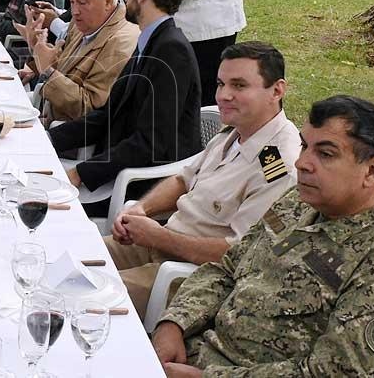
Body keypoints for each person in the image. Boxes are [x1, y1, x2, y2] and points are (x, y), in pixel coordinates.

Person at [153, 95, 374, 377]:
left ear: (372, 170)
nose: (301, 163)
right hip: (193, 353)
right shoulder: (297, 204)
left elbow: (339, 374)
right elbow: (229, 267)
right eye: (304, 146)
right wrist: (174, 324)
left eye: (325, 153)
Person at [107, 42, 301, 318]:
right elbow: (183, 180)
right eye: (221, 84)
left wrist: (160, 237)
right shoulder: (235, 132)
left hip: (189, 278)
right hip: (156, 244)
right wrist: (141, 209)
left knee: (85, 301)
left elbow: (239, 253)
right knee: (72, 258)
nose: (224, 95)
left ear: (277, 91)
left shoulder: (277, 164)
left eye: (239, 86)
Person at [51, 0, 202, 217]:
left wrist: (81, 173)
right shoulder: (151, 40)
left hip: (140, 184)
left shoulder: (171, 50)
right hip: (117, 169)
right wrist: (48, 139)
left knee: (39, 201)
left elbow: (151, 143)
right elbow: (109, 113)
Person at [30, 0, 138, 124]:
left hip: (67, 138)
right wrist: (35, 45)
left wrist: (48, 71)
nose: (74, 11)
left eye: (82, 2)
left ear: (107, 1)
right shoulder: (86, 23)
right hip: (48, 117)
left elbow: (90, 110)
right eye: (72, 2)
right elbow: (64, 70)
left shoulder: (120, 44)